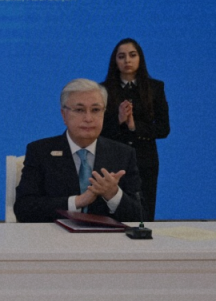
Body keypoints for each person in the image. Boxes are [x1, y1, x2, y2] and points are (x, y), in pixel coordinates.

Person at [14, 79, 142, 223]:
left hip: (106, 242)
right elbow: (23, 209)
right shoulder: (40, 152)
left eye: (95, 110)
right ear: (64, 115)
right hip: (53, 241)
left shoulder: (123, 154)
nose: (88, 118)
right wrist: (76, 202)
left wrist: (113, 195)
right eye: (80, 110)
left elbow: (141, 217)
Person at [100, 38, 170, 221]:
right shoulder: (103, 89)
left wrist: (134, 126)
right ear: (115, 61)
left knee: (144, 209)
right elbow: (98, 129)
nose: (127, 61)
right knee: (112, 209)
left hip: (145, 158)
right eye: (121, 56)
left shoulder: (155, 87)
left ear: (140, 58)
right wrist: (118, 120)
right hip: (112, 157)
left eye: (132, 55)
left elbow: (163, 128)